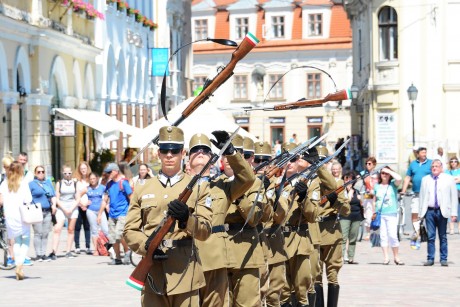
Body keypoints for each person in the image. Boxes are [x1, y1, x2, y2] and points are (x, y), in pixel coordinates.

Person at [124, 126, 213, 306]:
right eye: (165, 150)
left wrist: (187, 219)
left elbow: (205, 230)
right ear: (159, 153)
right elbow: (130, 229)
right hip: (153, 273)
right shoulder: (143, 188)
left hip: (184, 273)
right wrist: (145, 245)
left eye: (174, 150)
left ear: (183, 153)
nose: (169, 155)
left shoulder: (198, 188)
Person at [188, 132, 254, 307]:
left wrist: (231, 153)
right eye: (195, 150)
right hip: (186, 255)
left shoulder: (221, 186)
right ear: (187, 157)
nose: (200, 152)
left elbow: (248, 179)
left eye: (205, 150)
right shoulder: (179, 186)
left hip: (214, 256)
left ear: (212, 158)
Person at [419, 159, 458, 266]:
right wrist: (420, 213)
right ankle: (430, 258)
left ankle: (443, 258)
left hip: (442, 211)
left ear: (441, 168)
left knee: (443, 236)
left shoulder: (448, 179)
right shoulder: (425, 179)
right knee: (431, 236)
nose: (434, 168)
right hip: (430, 211)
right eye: (432, 167)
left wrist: (454, 213)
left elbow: (453, 197)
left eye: (436, 166)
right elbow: (422, 197)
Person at [0, 161, 33, 280]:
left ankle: (18, 264)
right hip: (22, 215)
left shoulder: (4, 183)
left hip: (9, 216)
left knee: (16, 240)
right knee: (25, 241)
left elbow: (1, 200)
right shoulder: (23, 183)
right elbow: (28, 199)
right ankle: (19, 264)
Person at [401, 147, 432, 247]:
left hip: (428, 194)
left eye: (425, 152)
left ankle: (428, 233)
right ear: (417, 154)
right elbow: (407, 177)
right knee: (414, 213)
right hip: (416, 193)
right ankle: (417, 232)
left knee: (427, 215)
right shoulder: (413, 164)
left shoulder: (431, 163)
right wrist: (403, 190)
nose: (424, 154)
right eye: (422, 152)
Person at [372, 167, 403, 265]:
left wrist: (389, 170)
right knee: (383, 236)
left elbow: (399, 179)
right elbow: (374, 200)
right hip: (380, 214)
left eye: (386, 174)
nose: (384, 175)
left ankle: (396, 257)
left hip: (391, 213)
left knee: (393, 235)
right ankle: (386, 257)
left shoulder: (393, 185)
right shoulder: (377, 186)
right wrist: (374, 212)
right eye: (383, 173)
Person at [103, 162, 132, 265]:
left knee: (119, 234)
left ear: (115, 171)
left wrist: (133, 212)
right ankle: (118, 258)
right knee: (112, 237)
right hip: (112, 214)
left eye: (109, 172)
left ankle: (127, 251)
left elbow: (131, 197)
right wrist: (99, 213)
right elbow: (105, 199)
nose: (108, 174)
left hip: (122, 213)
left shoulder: (123, 183)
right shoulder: (109, 184)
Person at [29, 166, 57, 262]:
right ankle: (38, 254)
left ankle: (43, 253)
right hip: (37, 211)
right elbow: (28, 198)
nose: (41, 173)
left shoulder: (48, 183)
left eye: (42, 171)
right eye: (38, 172)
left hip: (47, 211)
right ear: (35, 173)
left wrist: (54, 206)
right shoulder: (31, 184)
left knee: (45, 234)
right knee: (38, 233)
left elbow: (53, 195)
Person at [53, 165, 81, 258]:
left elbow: (78, 198)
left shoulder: (75, 183)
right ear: (62, 173)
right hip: (62, 206)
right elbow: (57, 198)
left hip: (73, 206)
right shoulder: (59, 183)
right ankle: (53, 252)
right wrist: (64, 209)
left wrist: (71, 209)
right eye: (65, 173)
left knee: (70, 229)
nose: (67, 175)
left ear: (72, 173)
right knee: (57, 229)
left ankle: (68, 251)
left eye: (69, 173)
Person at [81, 172, 108, 256]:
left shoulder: (103, 188)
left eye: (94, 178)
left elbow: (107, 197)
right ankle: (96, 249)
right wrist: (83, 204)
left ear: (97, 179)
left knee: (105, 230)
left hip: (100, 210)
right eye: (91, 179)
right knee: (94, 230)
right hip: (91, 211)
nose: (92, 180)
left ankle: (107, 249)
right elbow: (77, 195)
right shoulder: (87, 188)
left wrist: (107, 205)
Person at [340, 171, 363, 264]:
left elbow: (361, 204)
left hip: (356, 216)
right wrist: (349, 192)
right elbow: (346, 202)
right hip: (345, 216)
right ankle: (341, 257)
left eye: (350, 179)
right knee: (343, 237)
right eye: (346, 178)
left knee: (353, 237)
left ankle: (351, 257)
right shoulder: (342, 190)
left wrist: (361, 200)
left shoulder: (357, 191)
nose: (348, 180)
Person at [74, 161, 91, 255]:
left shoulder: (91, 180)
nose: (83, 170)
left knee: (87, 226)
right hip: (79, 205)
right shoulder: (76, 181)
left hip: (88, 206)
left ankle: (88, 246)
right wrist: (81, 204)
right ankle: (77, 246)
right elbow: (75, 194)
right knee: (77, 227)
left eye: (85, 168)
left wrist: (87, 204)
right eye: (81, 169)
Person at [362, 156, 379, 240]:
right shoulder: (364, 174)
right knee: (368, 214)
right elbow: (361, 186)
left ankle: (376, 232)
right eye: (366, 163)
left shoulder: (378, 174)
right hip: (368, 196)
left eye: (369, 163)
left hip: (377, 196)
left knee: (376, 213)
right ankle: (368, 233)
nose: (367, 165)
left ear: (374, 164)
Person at [446, 156, 460, 234]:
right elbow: (447, 181)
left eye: (455, 161)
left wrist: (453, 180)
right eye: (452, 161)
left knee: (459, 210)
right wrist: (456, 180)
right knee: (450, 210)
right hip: (450, 192)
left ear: (457, 162)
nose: (453, 163)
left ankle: (459, 228)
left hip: (458, 191)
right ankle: (451, 229)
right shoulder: (447, 171)